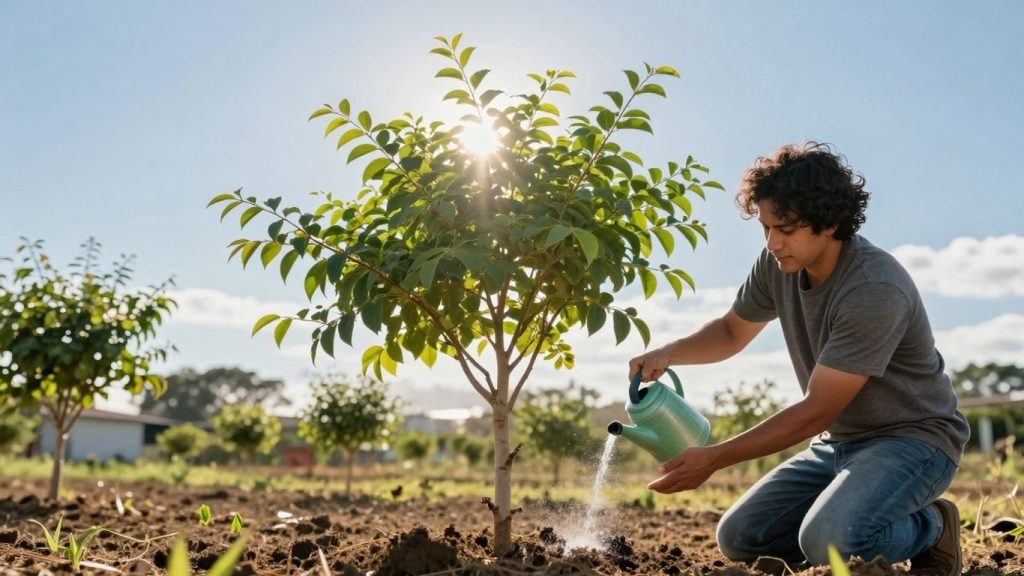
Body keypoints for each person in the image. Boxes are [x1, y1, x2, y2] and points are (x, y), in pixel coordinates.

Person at [628, 142, 969, 576]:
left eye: (786, 229)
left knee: (829, 542)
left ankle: (932, 526)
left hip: (913, 440)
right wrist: (669, 352)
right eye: (766, 227)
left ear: (830, 223)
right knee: (741, 537)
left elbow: (817, 409)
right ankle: (845, 519)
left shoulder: (874, 288)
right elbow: (732, 331)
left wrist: (713, 457)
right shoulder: (777, 264)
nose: (773, 242)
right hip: (838, 443)